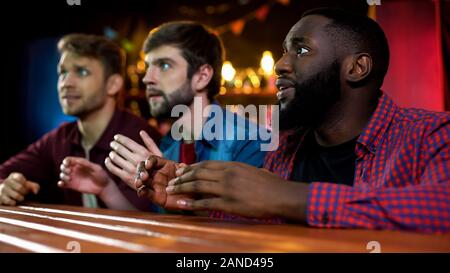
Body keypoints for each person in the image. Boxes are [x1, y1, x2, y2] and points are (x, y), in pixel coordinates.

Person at [136, 8, 450, 233]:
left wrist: (292, 197)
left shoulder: (430, 133)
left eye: (300, 50)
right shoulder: (284, 146)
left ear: (357, 68)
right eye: (284, 52)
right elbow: (259, 230)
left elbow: (442, 208)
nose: (280, 65)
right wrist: (189, 199)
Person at [103, 22, 269, 206]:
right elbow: (161, 226)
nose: (147, 78)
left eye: (164, 65)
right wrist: (105, 188)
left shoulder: (249, 142)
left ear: (202, 76)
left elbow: (256, 226)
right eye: (148, 66)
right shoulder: (166, 145)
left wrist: (189, 201)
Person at [0, 34, 160, 211]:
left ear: (113, 84)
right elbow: (3, 173)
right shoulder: (60, 138)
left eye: (82, 71)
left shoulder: (139, 139)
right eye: (63, 72)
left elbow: (147, 221)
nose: (66, 83)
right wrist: (5, 187)